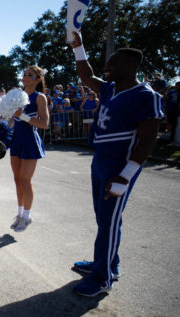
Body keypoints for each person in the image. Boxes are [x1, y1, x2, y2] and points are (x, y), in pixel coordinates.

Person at [70, 31, 163, 297]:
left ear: (130, 67)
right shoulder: (110, 88)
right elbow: (86, 76)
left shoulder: (146, 96)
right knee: (104, 219)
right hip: (100, 160)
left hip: (120, 166)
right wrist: (79, 48)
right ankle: (109, 262)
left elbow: (147, 141)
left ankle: (102, 278)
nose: (107, 66)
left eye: (113, 62)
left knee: (109, 221)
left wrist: (126, 175)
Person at [10, 66, 49, 232]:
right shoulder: (18, 95)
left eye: (30, 75)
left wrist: (23, 116)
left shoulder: (39, 97)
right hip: (16, 140)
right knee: (17, 180)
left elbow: (44, 124)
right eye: (24, 74)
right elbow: (14, 119)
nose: (25, 77)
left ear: (38, 79)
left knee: (26, 181)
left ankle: (27, 216)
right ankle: (19, 214)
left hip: (30, 141)